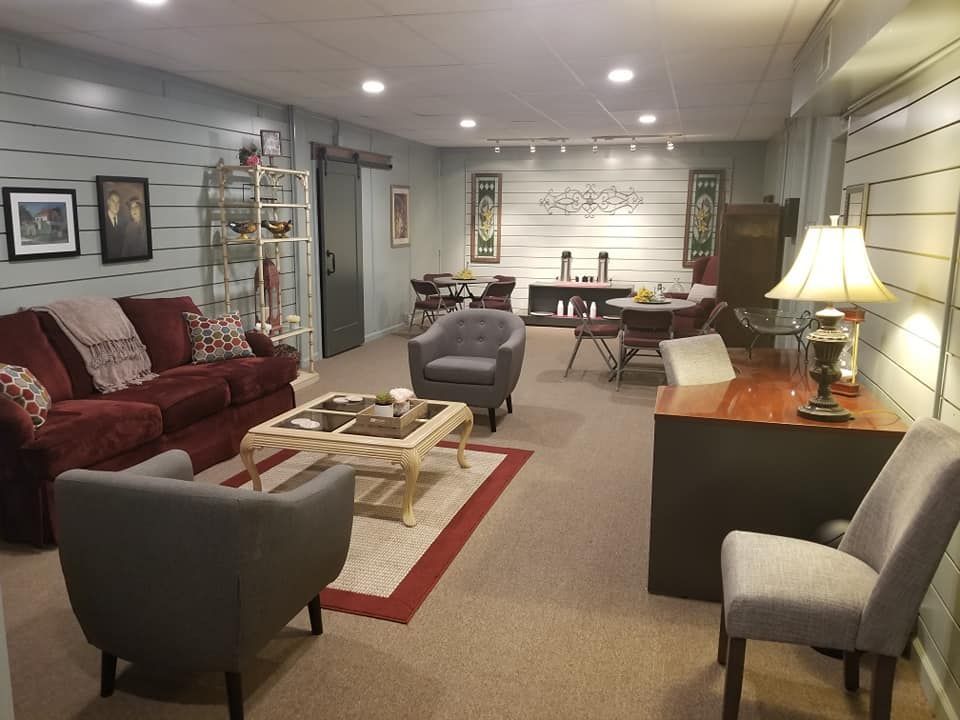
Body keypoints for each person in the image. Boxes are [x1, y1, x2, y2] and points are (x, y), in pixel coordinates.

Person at [102, 189, 126, 260]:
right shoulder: (103, 221)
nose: (116, 205)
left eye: (118, 202)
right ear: (108, 202)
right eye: (113, 201)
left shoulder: (125, 222)